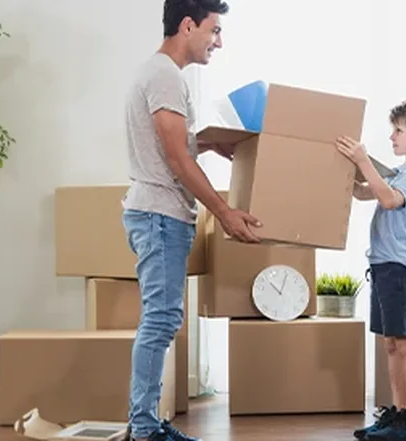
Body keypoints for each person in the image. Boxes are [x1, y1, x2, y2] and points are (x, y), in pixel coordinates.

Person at [120, 1, 262, 440]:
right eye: (214, 30)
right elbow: (177, 161)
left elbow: (175, 146)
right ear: (187, 25)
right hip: (159, 215)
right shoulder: (165, 75)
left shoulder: (161, 74)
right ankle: (144, 428)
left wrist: (209, 144)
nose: (218, 42)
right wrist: (224, 213)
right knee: (161, 320)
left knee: (161, 318)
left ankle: (145, 424)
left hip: (160, 214)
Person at [336, 99, 406, 441]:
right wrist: (345, 168)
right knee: (391, 345)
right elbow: (362, 192)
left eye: (399, 131)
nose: (392, 137)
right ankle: (397, 414)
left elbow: (388, 199)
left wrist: (363, 161)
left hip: (401, 270)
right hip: (383, 267)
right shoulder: (398, 173)